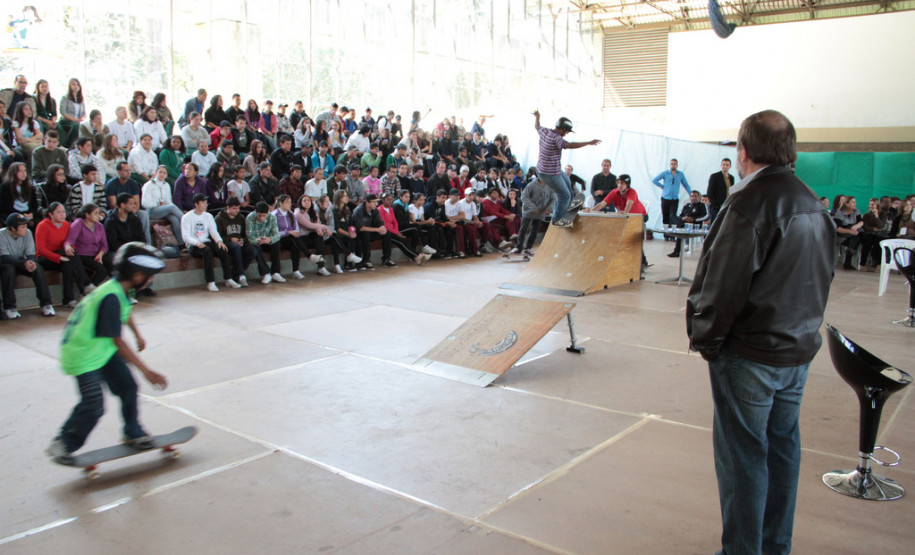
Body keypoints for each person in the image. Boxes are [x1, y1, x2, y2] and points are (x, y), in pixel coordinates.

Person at [686, 110, 835, 555]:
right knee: (782, 450)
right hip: (796, 352)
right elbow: (823, 277)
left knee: (744, 459)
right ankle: (774, 547)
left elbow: (723, 284)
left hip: (750, 354)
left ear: (743, 150)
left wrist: (707, 339)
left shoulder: (749, 203)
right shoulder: (813, 202)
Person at [45, 242, 169, 464]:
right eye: (149, 276)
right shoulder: (110, 297)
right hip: (82, 354)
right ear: (137, 275)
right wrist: (146, 371)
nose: (151, 280)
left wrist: (137, 334)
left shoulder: (119, 289)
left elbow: (125, 312)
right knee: (94, 405)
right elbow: (117, 340)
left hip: (100, 349)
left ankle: (133, 432)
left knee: (127, 387)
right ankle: (63, 443)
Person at [532, 111, 600, 227]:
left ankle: (567, 210)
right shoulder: (557, 138)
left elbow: (537, 125)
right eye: (567, 132)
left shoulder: (545, 131)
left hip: (550, 170)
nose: (566, 134)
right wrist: (588, 143)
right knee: (564, 195)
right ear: (562, 129)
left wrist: (537, 116)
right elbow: (569, 145)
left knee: (569, 184)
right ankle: (558, 219)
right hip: (550, 174)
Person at [1, 213, 55, 318]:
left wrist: (30, 262)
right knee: (9, 269)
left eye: (26, 226)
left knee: (37, 268)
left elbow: (30, 254)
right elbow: (5, 257)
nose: (25, 229)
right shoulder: (1, 235)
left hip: (22, 262)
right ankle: (9, 307)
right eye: (22, 227)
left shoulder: (28, 233)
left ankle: (46, 304)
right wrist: (24, 263)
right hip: (6, 263)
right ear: (12, 228)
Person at [36, 202, 89, 307]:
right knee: (70, 255)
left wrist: (67, 254)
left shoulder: (66, 225)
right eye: (59, 212)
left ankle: (68, 299)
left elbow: (71, 243)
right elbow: (41, 249)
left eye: (64, 212)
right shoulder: (42, 225)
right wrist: (60, 257)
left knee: (69, 263)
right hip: (45, 258)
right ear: (51, 214)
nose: (62, 214)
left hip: (63, 256)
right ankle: (85, 284)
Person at [181, 193, 233, 291]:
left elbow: (213, 231)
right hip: (193, 245)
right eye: (203, 202)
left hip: (206, 241)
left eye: (206, 202)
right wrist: (197, 243)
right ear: (196, 204)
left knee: (223, 249)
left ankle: (228, 278)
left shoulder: (208, 216)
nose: (206, 204)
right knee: (207, 251)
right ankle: (210, 282)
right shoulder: (186, 217)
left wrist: (219, 241)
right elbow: (186, 237)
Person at [105, 193, 155, 297]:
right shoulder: (111, 221)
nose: (134, 206)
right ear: (122, 205)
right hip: (118, 251)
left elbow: (141, 237)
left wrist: (136, 249)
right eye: (131, 203)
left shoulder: (135, 219)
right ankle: (124, 290)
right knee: (119, 260)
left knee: (148, 257)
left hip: (133, 249)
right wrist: (127, 250)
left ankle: (144, 287)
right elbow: (112, 243)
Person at [273, 194, 327, 278]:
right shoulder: (274, 215)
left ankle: (296, 270)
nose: (290, 204)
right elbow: (274, 233)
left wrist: (295, 232)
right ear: (280, 203)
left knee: (295, 244)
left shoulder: (291, 214)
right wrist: (288, 232)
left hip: (292, 239)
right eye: (287, 202)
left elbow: (296, 229)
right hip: (280, 239)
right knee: (293, 238)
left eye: (290, 202)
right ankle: (310, 256)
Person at [65, 203, 111, 287]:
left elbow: (104, 245)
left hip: (96, 253)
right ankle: (87, 289)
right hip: (83, 254)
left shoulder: (100, 226)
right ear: (87, 215)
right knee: (102, 270)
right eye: (96, 213)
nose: (99, 216)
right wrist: (68, 246)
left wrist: (100, 254)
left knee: (111, 264)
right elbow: (70, 240)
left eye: (99, 213)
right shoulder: (78, 224)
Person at [376, 192, 428, 266]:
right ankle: (416, 256)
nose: (390, 201)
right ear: (383, 200)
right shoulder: (379, 210)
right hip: (386, 231)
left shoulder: (390, 209)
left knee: (402, 241)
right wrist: (396, 232)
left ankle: (416, 256)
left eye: (391, 199)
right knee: (400, 242)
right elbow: (385, 225)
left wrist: (396, 231)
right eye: (388, 199)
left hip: (394, 231)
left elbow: (395, 221)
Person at [215, 196, 257, 287]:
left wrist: (243, 240)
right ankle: (241, 275)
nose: (237, 210)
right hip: (227, 242)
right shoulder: (219, 219)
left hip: (239, 241)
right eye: (234, 208)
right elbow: (217, 236)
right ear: (228, 208)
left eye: (238, 208)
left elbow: (245, 234)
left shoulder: (241, 218)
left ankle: (235, 273)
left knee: (252, 251)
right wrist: (230, 239)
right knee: (236, 247)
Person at [105, 161, 150, 243]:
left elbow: (136, 203)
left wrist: (133, 210)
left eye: (129, 170)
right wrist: (126, 211)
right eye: (126, 170)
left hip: (130, 209)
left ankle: (146, 244)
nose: (129, 173)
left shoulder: (133, 183)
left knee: (144, 214)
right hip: (117, 210)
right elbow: (113, 205)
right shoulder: (111, 184)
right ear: (118, 172)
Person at [141, 166, 184, 243]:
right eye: (160, 172)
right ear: (156, 173)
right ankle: (186, 220)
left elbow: (168, 201)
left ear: (166, 175)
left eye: (164, 173)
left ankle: (181, 243)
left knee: (174, 219)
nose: (162, 174)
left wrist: (165, 205)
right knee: (172, 207)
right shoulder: (148, 185)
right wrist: (157, 203)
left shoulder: (166, 185)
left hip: (163, 210)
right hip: (152, 210)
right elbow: (144, 203)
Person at [293, 194, 333, 276]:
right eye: (304, 201)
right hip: (300, 238)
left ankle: (321, 267)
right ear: (300, 203)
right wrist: (325, 227)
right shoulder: (298, 214)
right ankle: (297, 270)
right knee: (295, 245)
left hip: (309, 235)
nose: (307, 202)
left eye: (308, 200)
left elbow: (315, 224)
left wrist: (318, 230)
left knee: (319, 237)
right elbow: (309, 225)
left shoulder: (313, 212)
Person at [245, 201, 283, 283]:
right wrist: (257, 240)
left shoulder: (272, 217)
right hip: (256, 241)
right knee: (256, 247)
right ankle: (266, 273)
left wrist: (270, 239)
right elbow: (249, 237)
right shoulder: (250, 218)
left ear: (268, 212)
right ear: (255, 212)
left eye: (264, 216)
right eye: (259, 215)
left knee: (276, 244)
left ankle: (276, 272)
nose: (261, 218)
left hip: (267, 240)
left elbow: (277, 235)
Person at [652, 158, 691, 236]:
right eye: (672, 164)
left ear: (677, 165)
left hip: (674, 198)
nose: (673, 165)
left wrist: (691, 194)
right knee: (665, 216)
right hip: (665, 198)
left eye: (675, 164)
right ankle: (666, 234)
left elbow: (686, 185)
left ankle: (672, 234)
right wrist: (661, 186)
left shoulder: (680, 174)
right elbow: (654, 180)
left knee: (672, 216)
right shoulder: (665, 173)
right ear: (670, 165)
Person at [668, 190, 709, 258]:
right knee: (673, 217)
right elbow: (680, 216)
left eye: (695, 196)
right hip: (685, 224)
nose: (694, 198)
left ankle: (680, 226)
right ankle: (676, 251)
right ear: (690, 197)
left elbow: (705, 216)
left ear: (699, 197)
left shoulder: (702, 205)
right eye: (692, 196)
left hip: (695, 225)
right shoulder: (686, 206)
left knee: (680, 227)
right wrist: (683, 218)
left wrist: (694, 219)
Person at [833, 196, 863, 270]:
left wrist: (856, 226)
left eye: (855, 202)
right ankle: (848, 260)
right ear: (847, 204)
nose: (855, 204)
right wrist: (850, 231)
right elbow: (838, 229)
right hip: (842, 236)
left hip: (854, 234)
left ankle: (849, 259)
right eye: (853, 202)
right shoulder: (839, 213)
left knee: (860, 236)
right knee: (856, 238)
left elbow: (861, 221)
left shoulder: (856, 212)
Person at [58, 78, 86, 149]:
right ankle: (66, 146)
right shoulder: (65, 98)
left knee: (84, 127)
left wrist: (81, 118)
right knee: (76, 126)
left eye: (77, 85)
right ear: (70, 86)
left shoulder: (81, 99)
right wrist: (74, 120)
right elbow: (63, 112)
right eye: (73, 84)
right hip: (66, 121)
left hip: (77, 121)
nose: (76, 86)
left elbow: (84, 113)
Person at [707, 158, 735, 222]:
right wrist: (716, 205)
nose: (725, 166)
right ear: (721, 165)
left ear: (730, 166)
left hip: (727, 205)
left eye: (727, 165)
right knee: (715, 224)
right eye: (723, 164)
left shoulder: (731, 178)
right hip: (717, 207)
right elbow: (710, 192)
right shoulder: (715, 176)